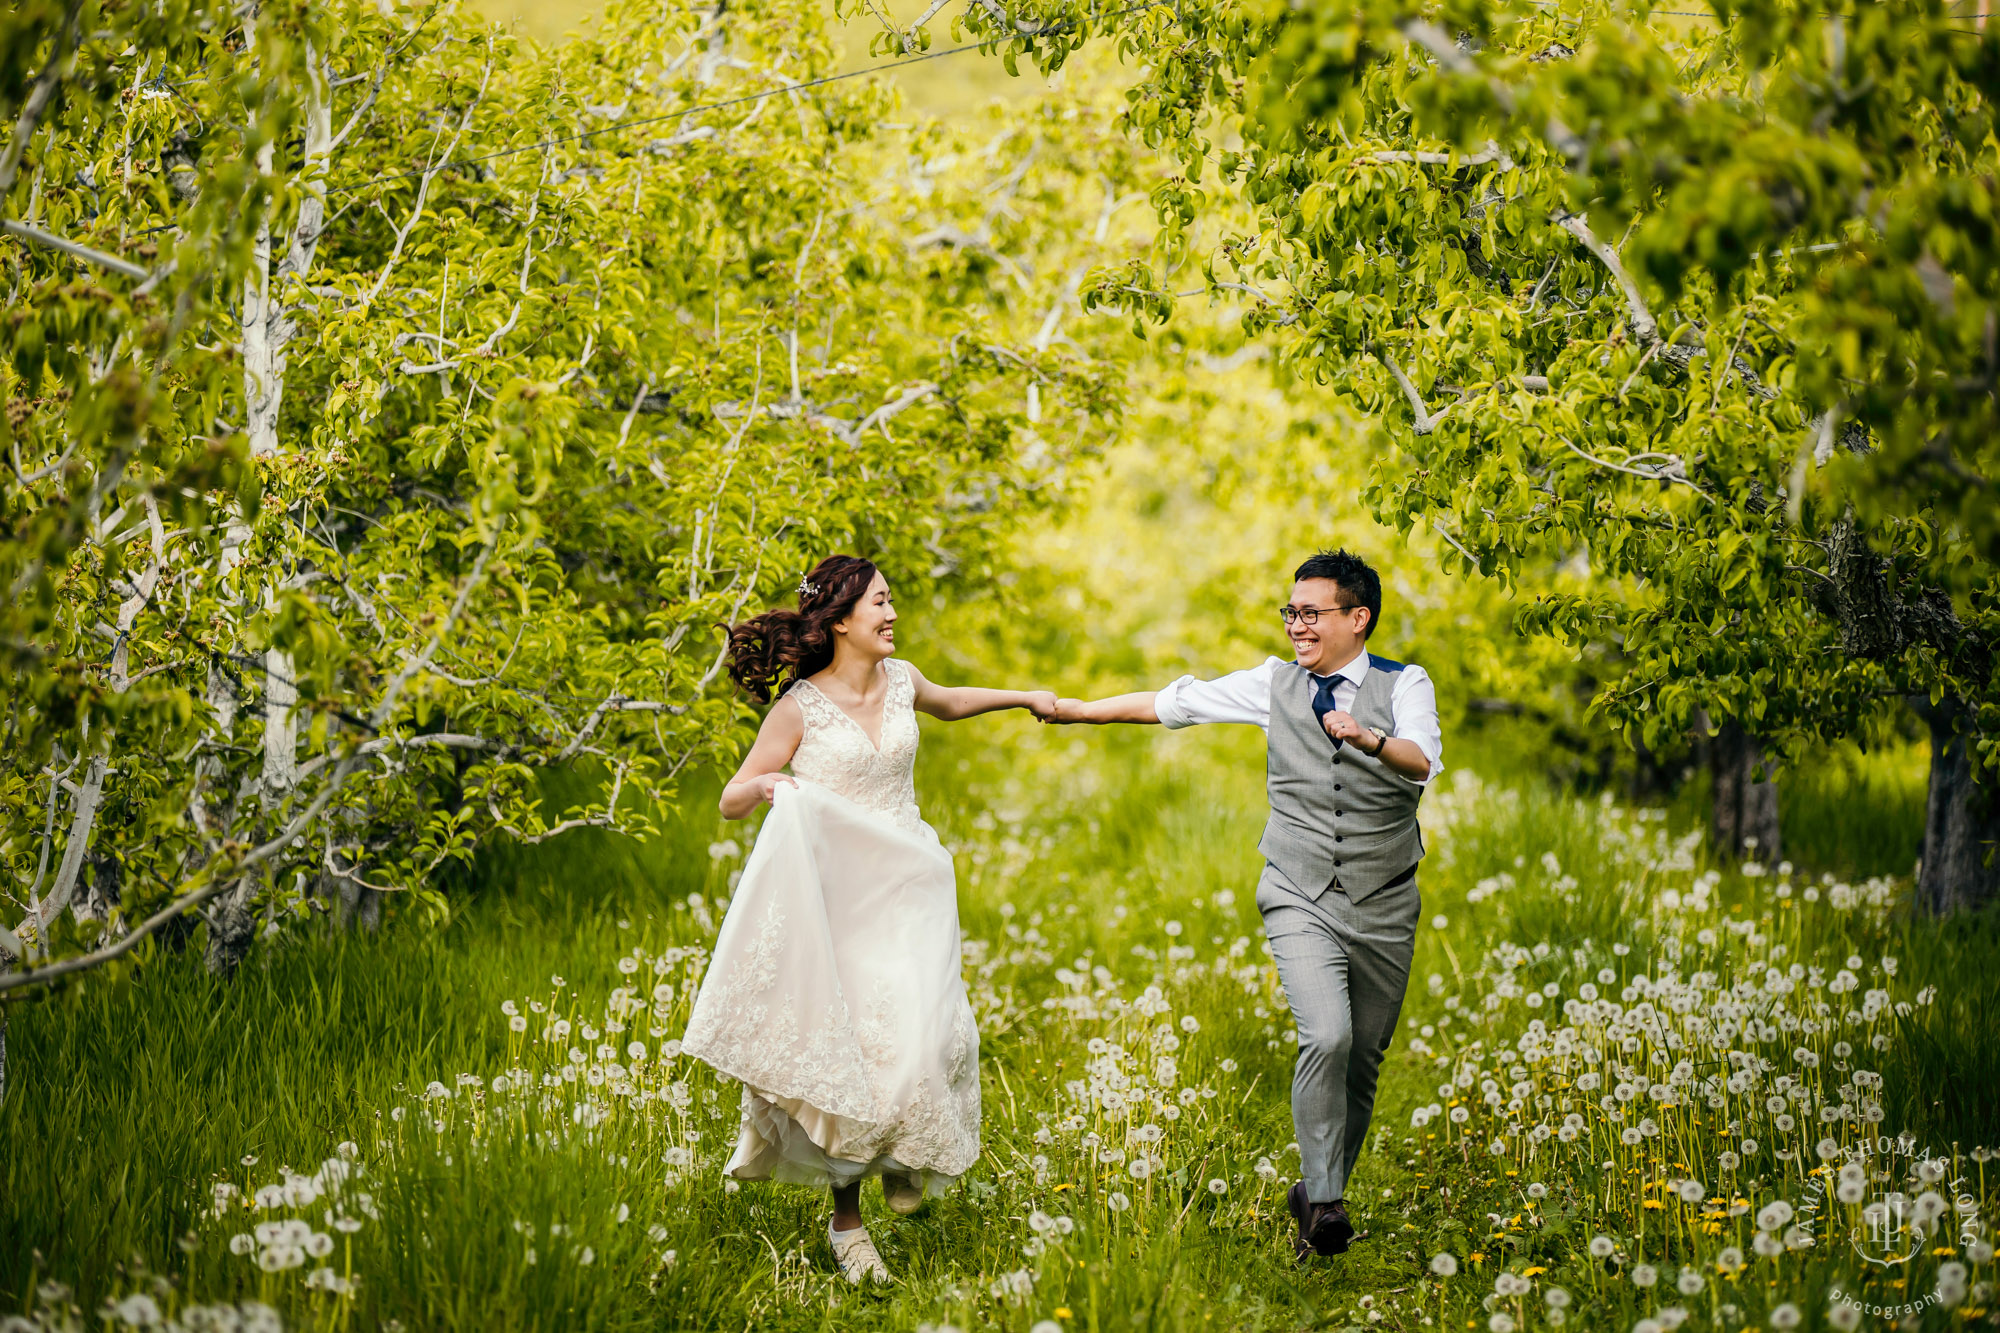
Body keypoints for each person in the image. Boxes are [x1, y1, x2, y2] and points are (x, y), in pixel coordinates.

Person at [1049, 549, 1441, 1263]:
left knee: (1363, 1061)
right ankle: (1326, 1199)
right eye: (1291, 611)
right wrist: (1078, 711)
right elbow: (1174, 703)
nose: (1297, 624)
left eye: (1311, 612)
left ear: (1359, 617)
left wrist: (1367, 736)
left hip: (1385, 898)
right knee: (1326, 1035)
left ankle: (1317, 1200)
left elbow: (1421, 758)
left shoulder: (1404, 683)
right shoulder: (1273, 684)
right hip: (1297, 887)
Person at [681, 554, 1056, 1285]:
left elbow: (947, 700)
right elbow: (730, 797)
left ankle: (904, 1153)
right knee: (849, 1051)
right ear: (842, 618)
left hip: (911, 880)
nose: (892, 615)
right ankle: (847, 1223)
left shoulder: (903, 680)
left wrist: (1024, 696)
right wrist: (766, 785)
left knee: (926, 1031)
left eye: (892, 602)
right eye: (880, 603)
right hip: (836, 897)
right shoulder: (798, 707)